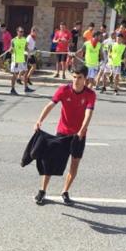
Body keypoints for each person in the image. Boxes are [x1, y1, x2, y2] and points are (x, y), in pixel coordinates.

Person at [32, 65, 95, 205]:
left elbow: (88, 113)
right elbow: (50, 105)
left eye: (80, 78)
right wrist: (39, 121)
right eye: (74, 77)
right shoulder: (63, 90)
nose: (76, 81)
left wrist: (82, 130)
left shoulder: (90, 94)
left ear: (85, 79)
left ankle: (65, 191)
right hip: (62, 133)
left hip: (79, 135)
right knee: (50, 162)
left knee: (74, 165)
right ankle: (42, 190)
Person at [7, 27, 32, 95]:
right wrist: (11, 50)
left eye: (22, 32)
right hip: (15, 60)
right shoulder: (13, 40)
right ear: (17, 32)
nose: (21, 33)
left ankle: (26, 88)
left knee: (25, 71)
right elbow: (11, 50)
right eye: (20, 31)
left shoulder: (24, 40)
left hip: (22, 59)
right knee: (14, 74)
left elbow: (26, 48)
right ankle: (12, 89)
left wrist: (29, 52)